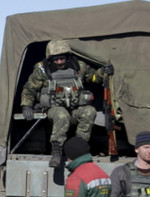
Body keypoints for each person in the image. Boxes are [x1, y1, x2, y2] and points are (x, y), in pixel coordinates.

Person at [20, 39, 114, 168]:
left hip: (76, 108)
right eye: (56, 59)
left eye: (62, 59)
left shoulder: (79, 66)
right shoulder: (42, 69)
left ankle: (79, 150)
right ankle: (56, 152)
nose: (59, 62)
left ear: (68, 57)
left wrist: (102, 72)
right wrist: (27, 106)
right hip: (54, 109)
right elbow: (29, 89)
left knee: (89, 111)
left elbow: (92, 77)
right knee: (61, 114)